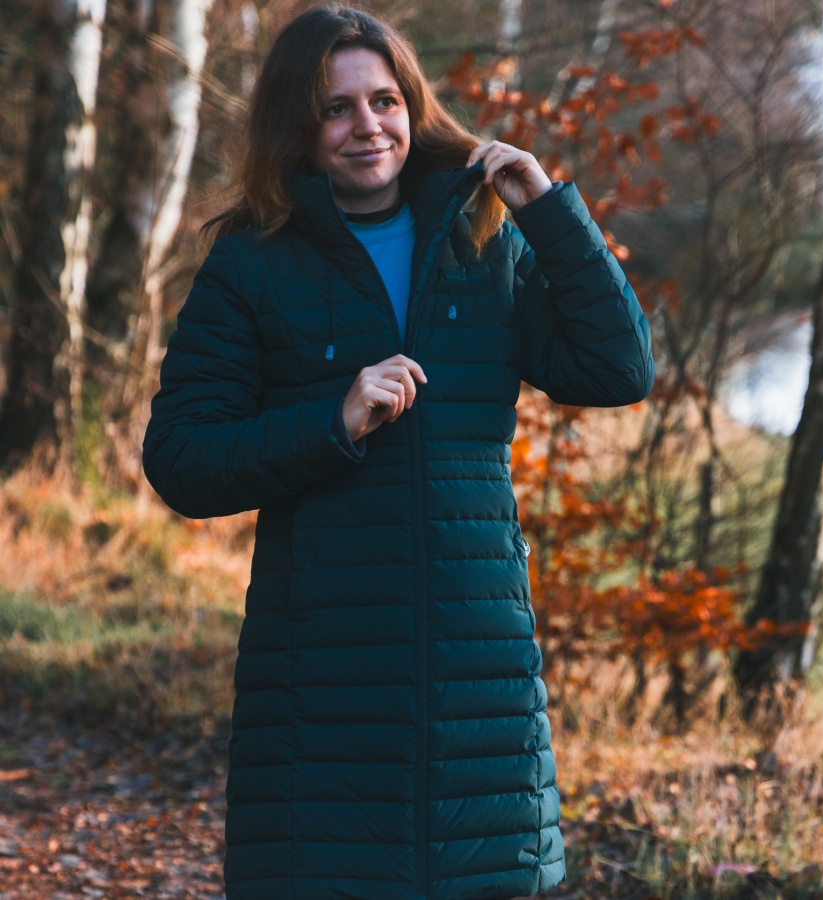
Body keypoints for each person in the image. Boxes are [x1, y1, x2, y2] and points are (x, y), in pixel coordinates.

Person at [141, 5, 654, 898]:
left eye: (384, 101)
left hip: (479, 674)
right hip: (322, 677)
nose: (366, 126)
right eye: (335, 108)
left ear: (413, 107)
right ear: (298, 125)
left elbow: (617, 368)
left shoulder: (483, 241)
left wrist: (549, 211)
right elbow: (182, 459)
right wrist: (332, 423)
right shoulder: (252, 264)